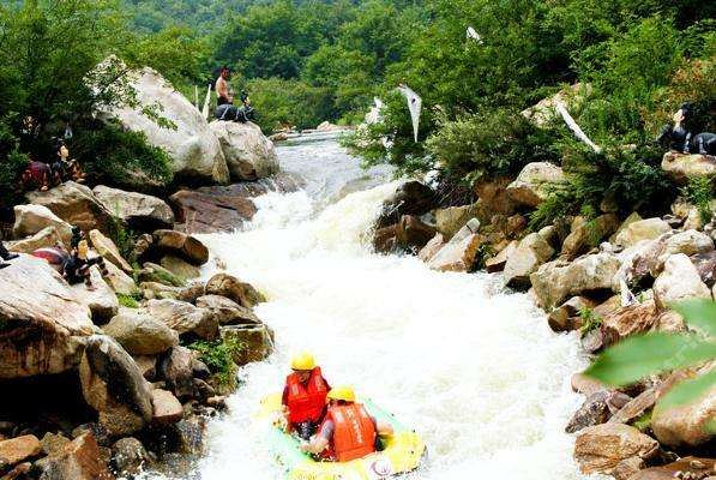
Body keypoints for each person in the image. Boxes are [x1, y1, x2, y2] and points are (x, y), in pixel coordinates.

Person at [301, 386, 394, 462]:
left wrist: (306, 447)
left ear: (334, 402)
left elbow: (318, 448)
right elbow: (389, 429)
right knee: (377, 438)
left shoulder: (330, 423)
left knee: (315, 452)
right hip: (369, 460)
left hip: (345, 466)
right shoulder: (366, 417)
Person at [282, 352, 331, 441]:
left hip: (319, 415)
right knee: (305, 435)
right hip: (302, 420)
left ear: (310, 372)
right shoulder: (290, 385)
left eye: (303, 373)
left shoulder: (319, 380)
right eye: (297, 373)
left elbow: (329, 392)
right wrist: (284, 410)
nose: (300, 376)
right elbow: (285, 401)